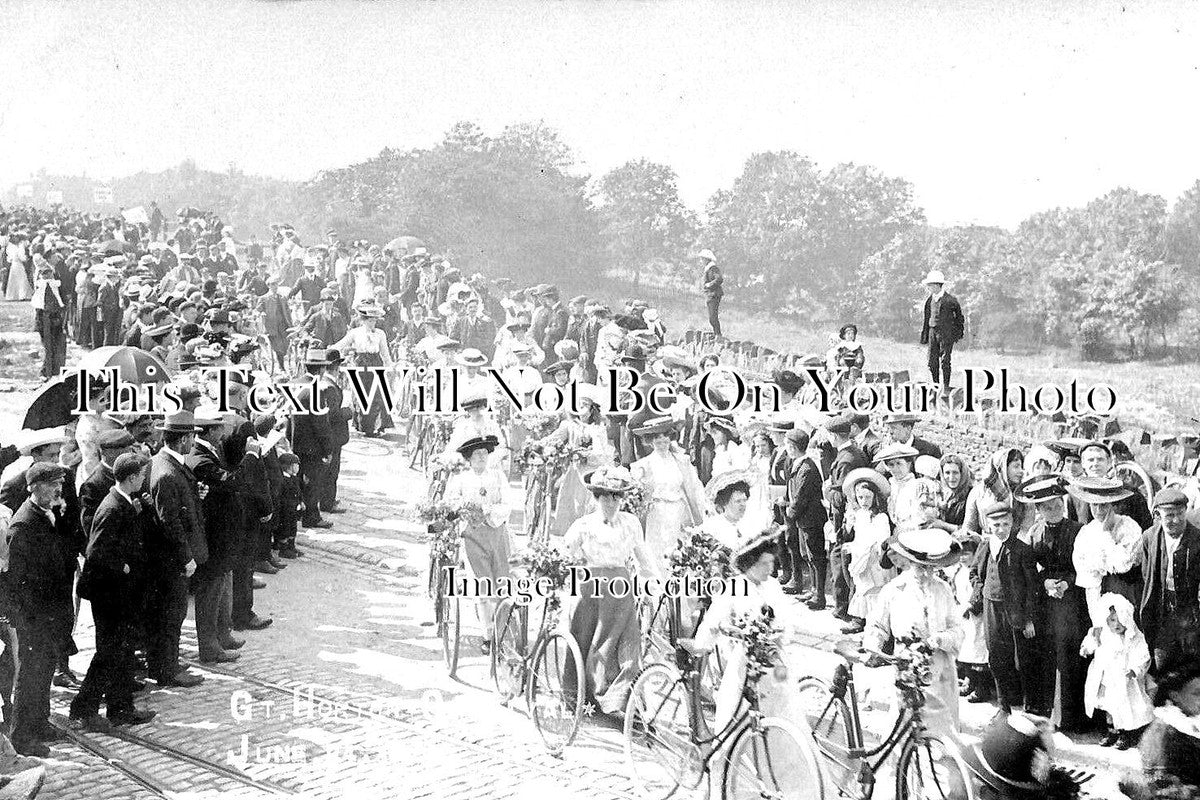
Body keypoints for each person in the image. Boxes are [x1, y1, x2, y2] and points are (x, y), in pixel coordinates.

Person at [561, 466, 661, 718]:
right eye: (605, 496)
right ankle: (584, 693)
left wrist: (654, 585)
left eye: (616, 497)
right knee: (588, 639)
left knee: (627, 644)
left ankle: (622, 701)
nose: (611, 502)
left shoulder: (631, 523)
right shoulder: (583, 525)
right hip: (590, 589)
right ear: (596, 497)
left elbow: (643, 558)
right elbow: (566, 555)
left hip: (620, 589)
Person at [70, 452, 156, 732]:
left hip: (121, 594)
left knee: (121, 650)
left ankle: (120, 709)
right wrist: (125, 567)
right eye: (141, 475)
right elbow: (96, 551)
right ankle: (84, 708)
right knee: (109, 652)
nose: (143, 479)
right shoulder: (112, 507)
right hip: (110, 595)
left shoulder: (123, 501)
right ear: (131, 478)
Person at [3, 462, 84, 756]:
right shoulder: (23, 524)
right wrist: (26, 620)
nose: (58, 490)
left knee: (45, 669)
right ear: (33, 487)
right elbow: (15, 582)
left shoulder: (48, 514)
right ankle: (21, 736)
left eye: (60, 484)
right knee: (30, 674)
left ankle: (40, 722)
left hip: (51, 611)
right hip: (33, 616)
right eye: (51, 485)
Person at [864, 528, 963, 737]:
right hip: (907, 664)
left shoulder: (943, 590)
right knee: (905, 722)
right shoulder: (893, 590)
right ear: (909, 563)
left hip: (940, 668)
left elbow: (958, 629)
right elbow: (877, 626)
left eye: (929, 568)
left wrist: (941, 639)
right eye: (919, 567)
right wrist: (873, 645)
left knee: (941, 731)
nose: (924, 573)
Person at [1017, 474, 1090, 732]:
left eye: (1058, 504)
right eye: (1048, 506)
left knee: (1068, 655)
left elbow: (1083, 565)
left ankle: (1071, 717)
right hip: (1046, 601)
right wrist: (1045, 583)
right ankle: (1049, 712)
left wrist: (1066, 583)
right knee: (1049, 654)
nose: (1055, 509)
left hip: (1072, 600)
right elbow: (1030, 568)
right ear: (1039, 510)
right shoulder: (1035, 533)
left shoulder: (1077, 530)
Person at [146, 412, 205, 689]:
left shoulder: (165, 462)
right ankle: (166, 669)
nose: (193, 442)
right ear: (183, 439)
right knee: (172, 614)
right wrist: (187, 557)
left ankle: (166, 662)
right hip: (172, 560)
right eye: (192, 437)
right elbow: (169, 521)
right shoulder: (167, 472)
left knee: (171, 614)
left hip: (168, 557)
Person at [443, 436, 513, 652]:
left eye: (484, 453)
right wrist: (463, 509)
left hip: (496, 533)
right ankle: (488, 635)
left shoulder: (497, 476)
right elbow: (451, 502)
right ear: (469, 459)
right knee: (483, 587)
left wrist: (490, 512)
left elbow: (507, 502)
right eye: (476, 455)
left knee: (501, 582)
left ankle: (503, 630)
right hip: (473, 536)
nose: (481, 458)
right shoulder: (461, 479)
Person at [971, 501, 1039, 718]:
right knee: (996, 657)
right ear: (988, 525)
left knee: (1022, 659)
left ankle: (1029, 708)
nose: (1001, 529)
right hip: (991, 608)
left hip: (1015, 611)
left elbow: (1032, 587)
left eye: (1005, 524)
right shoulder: (984, 547)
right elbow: (974, 573)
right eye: (996, 525)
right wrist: (981, 591)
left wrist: (1029, 619)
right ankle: (1003, 707)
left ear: (1012, 524)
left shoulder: (1022, 551)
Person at [1137, 487, 1200, 672]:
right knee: (1162, 664)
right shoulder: (1150, 537)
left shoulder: (1197, 539)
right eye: (1169, 515)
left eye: (1180, 514)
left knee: (1191, 667)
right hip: (1162, 613)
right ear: (1158, 514)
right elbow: (1146, 575)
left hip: (1190, 615)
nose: (1176, 520)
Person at [630, 416, 707, 565]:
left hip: (679, 511)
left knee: (679, 551)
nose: (662, 442)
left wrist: (699, 512)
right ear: (650, 442)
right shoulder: (643, 465)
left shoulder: (682, 461)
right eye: (657, 440)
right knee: (658, 553)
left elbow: (694, 488)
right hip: (657, 513)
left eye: (665, 438)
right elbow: (638, 496)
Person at [1068, 475, 1143, 627]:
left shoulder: (1128, 526)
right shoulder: (1086, 533)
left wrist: (1107, 533)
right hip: (1099, 592)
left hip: (1127, 589)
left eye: (1103, 505)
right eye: (1094, 505)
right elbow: (1088, 579)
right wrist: (1097, 619)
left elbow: (1123, 565)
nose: (1098, 510)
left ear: (1111, 505)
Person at [1080, 592, 1153, 749]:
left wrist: (1134, 670)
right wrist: (1087, 648)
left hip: (1124, 680)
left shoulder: (1133, 636)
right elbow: (1092, 640)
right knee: (1109, 706)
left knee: (1125, 707)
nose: (1116, 624)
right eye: (1112, 620)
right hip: (1108, 678)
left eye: (1121, 620)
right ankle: (1111, 731)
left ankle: (1125, 734)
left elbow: (1142, 654)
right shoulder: (1104, 634)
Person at [1128, 658, 1200, 798]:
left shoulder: (1190, 723)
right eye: (1196, 693)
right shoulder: (1162, 734)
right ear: (1175, 695)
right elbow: (1163, 791)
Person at [842, 468, 893, 634]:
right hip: (859, 556)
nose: (864, 501)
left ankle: (875, 627)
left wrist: (873, 552)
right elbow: (854, 536)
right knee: (861, 588)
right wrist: (849, 526)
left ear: (875, 497)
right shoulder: (859, 515)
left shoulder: (880, 517)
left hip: (873, 560)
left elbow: (881, 540)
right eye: (860, 497)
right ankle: (859, 620)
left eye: (868, 497)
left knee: (874, 592)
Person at [963, 448, 1027, 538]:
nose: (1021, 471)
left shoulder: (1023, 496)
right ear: (1003, 468)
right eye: (1016, 466)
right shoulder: (978, 493)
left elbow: (1026, 530)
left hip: (1016, 547)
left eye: (1021, 467)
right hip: (985, 546)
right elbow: (969, 527)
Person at [918, 269, 964, 394]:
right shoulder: (929, 300)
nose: (929, 288)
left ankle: (946, 387)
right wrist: (925, 335)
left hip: (946, 334)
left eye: (931, 285)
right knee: (932, 361)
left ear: (938, 285)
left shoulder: (950, 300)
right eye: (929, 285)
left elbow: (959, 318)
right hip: (933, 332)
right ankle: (935, 386)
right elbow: (927, 318)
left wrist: (956, 335)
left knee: (945, 361)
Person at [697, 249, 723, 337]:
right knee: (712, 317)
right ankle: (717, 334)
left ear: (706, 259)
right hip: (710, 295)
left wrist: (709, 285)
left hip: (714, 294)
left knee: (713, 317)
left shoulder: (713, 268)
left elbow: (719, 279)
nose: (701, 261)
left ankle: (718, 335)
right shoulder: (708, 269)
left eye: (702, 259)